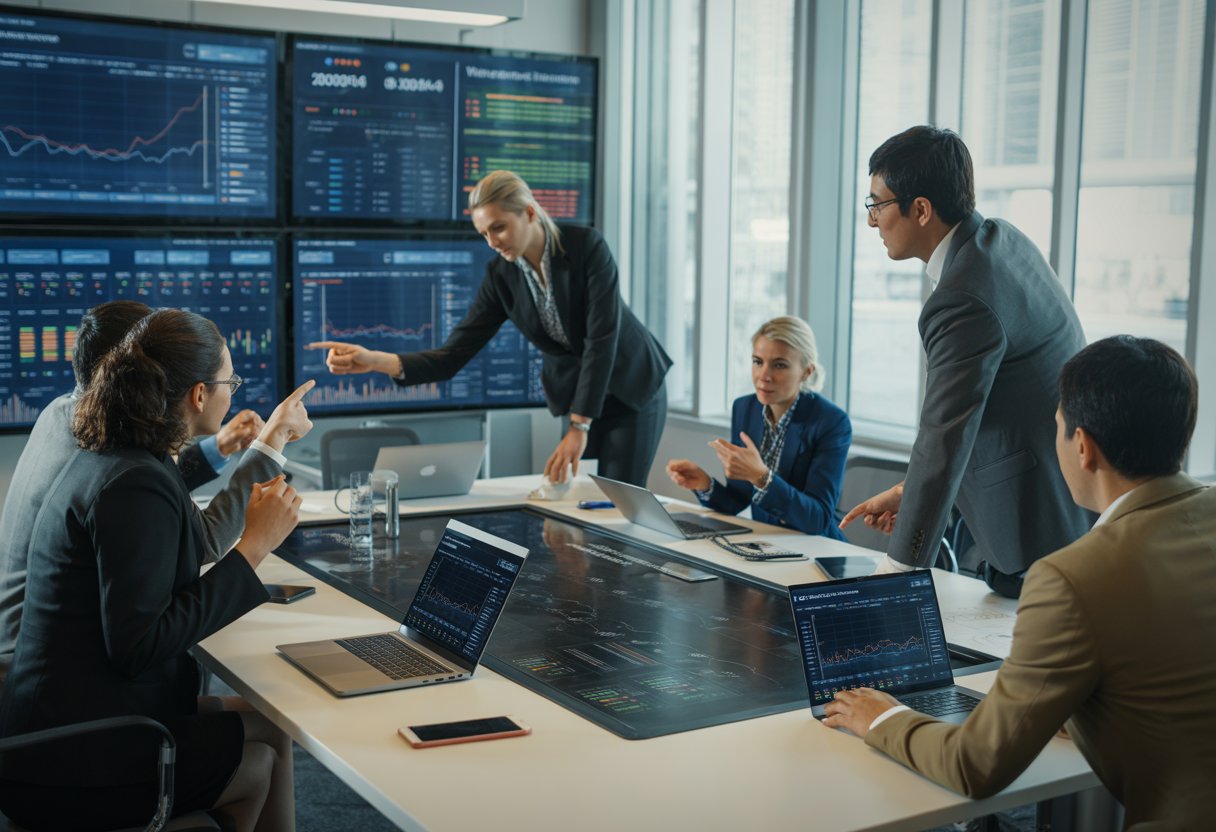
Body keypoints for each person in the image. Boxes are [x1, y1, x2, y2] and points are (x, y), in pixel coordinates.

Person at [823, 336, 1216, 829]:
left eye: (1055, 428)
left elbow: (976, 766)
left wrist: (880, 717)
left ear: (1083, 446)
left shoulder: (1073, 576)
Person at [0, 309, 314, 831]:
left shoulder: (123, 454)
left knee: (273, 727)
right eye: (228, 382)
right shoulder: (133, 482)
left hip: (69, 717)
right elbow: (139, 645)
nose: (232, 392)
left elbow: (180, 545)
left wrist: (270, 449)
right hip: (79, 751)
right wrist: (254, 549)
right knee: (256, 765)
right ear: (197, 395)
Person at [839, 126, 1091, 597]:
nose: (872, 221)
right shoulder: (999, 240)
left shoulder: (962, 297)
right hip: (1063, 505)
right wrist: (909, 493)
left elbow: (944, 433)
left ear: (920, 209)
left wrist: (898, 571)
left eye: (877, 204)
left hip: (1035, 529)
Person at [307, 170, 672, 487]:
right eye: (484, 233)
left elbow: (601, 340)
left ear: (529, 213)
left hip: (630, 386)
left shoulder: (586, 247)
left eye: (499, 227)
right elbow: (454, 355)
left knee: (618, 498)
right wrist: (376, 361)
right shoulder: (501, 277)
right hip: (581, 397)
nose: (492, 242)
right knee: (580, 497)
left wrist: (579, 426)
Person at [0, 301, 287, 685]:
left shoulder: (69, 416)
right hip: (60, 672)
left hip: (46, 651)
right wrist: (257, 533)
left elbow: (151, 496)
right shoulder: (104, 453)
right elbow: (190, 535)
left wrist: (214, 447)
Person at [666, 316, 851, 539]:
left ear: (806, 372)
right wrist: (705, 484)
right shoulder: (745, 408)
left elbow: (817, 519)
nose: (764, 376)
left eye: (779, 365)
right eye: (757, 361)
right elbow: (737, 500)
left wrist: (762, 478)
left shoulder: (831, 421)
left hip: (819, 549)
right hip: (767, 542)